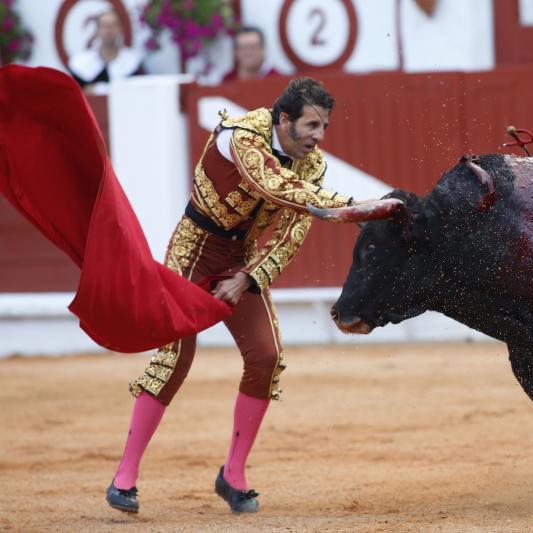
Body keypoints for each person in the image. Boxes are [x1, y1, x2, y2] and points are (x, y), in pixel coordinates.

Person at [106, 78, 358, 514]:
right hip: (193, 252)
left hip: (238, 261)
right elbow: (273, 189)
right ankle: (124, 476)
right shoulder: (240, 136)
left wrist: (249, 277)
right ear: (284, 119)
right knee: (174, 358)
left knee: (266, 356)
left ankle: (233, 475)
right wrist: (349, 207)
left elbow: (291, 235)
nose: (320, 137)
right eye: (312, 125)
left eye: (325, 127)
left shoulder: (311, 166)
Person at [67, 9, 143, 94]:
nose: (109, 29)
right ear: (97, 29)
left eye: (113, 25)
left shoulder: (132, 63)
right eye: (104, 25)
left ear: (120, 28)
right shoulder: (81, 63)